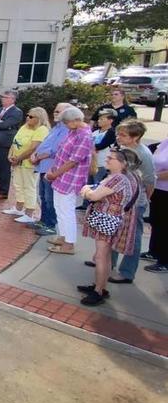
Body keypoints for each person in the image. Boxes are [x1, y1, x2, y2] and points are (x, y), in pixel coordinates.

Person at [78, 148, 142, 306]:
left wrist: (86, 190)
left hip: (107, 219)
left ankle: (98, 291)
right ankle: (100, 286)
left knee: (101, 256)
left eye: (111, 158)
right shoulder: (129, 177)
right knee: (105, 256)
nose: (106, 160)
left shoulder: (117, 178)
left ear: (123, 163)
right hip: (113, 219)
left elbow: (94, 195)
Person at [107, 119, 156, 284]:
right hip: (119, 199)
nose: (119, 137)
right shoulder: (123, 148)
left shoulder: (143, 154)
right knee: (113, 230)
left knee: (133, 237)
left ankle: (127, 272)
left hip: (135, 202)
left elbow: (150, 180)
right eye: (118, 134)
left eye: (123, 135)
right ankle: (108, 262)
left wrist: (144, 199)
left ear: (136, 137)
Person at [44, 107, 93, 255]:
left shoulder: (84, 135)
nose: (66, 125)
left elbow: (73, 160)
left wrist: (55, 173)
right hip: (61, 175)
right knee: (59, 207)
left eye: (67, 123)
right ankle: (63, 236)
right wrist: (53, 170)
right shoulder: (74, 130)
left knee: (66, 210)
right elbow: (61, 152)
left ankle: (69, 243)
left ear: (77, 120)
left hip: (71, 177)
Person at [29, 103, 72, 236]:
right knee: (42, 195)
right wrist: (35, 154)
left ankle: (50, 225)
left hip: (52, 168)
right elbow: (45, 144)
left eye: (59, 112)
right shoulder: (56, 128)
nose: (55, 113)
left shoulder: (67, 130)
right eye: (55, 111)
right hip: (43, 166)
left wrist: (39, 156)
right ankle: (43, 220)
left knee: (50, 198)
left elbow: (56, 149)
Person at [3, 106, 49, 224]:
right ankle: (19, 208)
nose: (27, 118)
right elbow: (15, 142)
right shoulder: (24, 127)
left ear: (39, 118)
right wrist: (11, 154)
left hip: (29, 164)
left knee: (29, 187)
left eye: (31, 116)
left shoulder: (42, 129)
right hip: (17, 161)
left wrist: (18, 158)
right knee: (18, 185)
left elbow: (33, 148)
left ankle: (29, 213)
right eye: (27, 115)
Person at [143, 138, 168, 274]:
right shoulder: (164, 142)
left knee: (165, 226)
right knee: (155, 221)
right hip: (157, 189)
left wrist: (152, 176)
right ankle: (154, 251)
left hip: (166, 191)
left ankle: (164, 261)